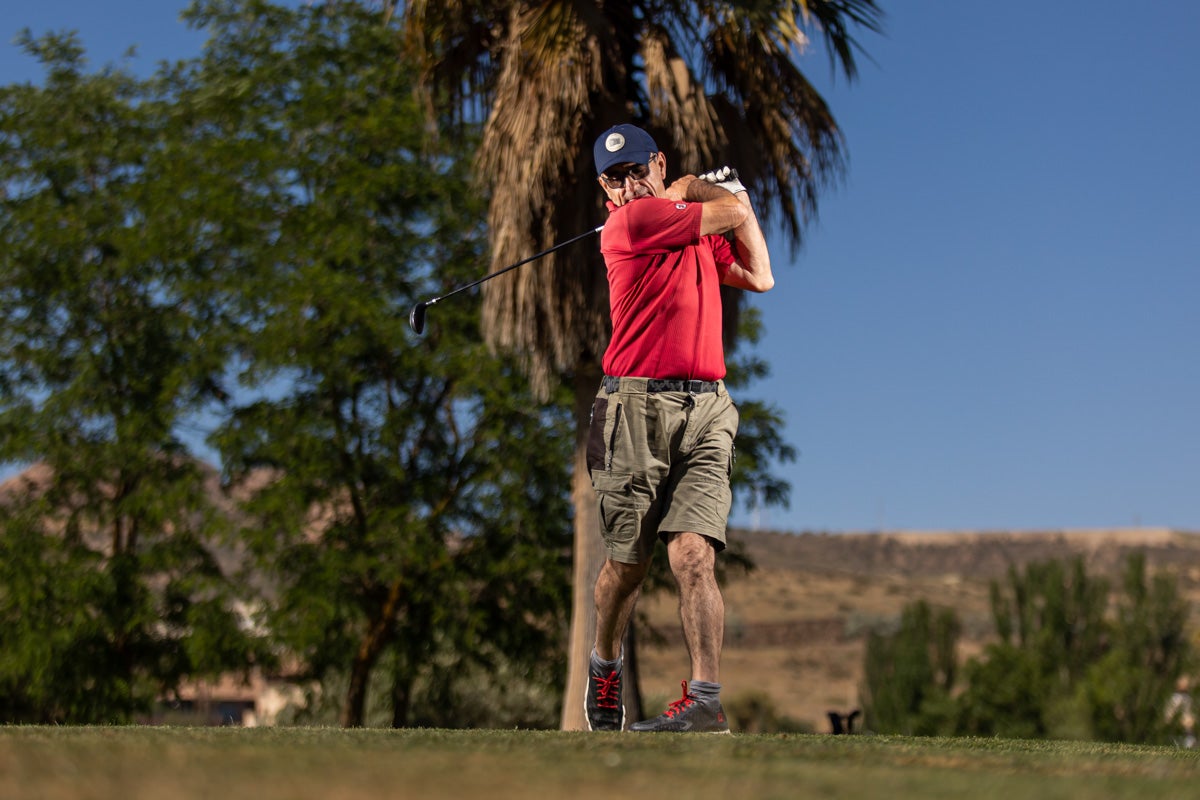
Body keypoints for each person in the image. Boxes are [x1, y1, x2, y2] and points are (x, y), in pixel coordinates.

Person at [583, 123, 773, 733]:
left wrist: (725, 200)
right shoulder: (630, 225)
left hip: (708, 407)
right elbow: (729, 212)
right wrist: (706, 187)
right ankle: (604, 664)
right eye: (616, 179)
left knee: (694, 557)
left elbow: (761, 274)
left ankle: (706, 700)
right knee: (629, 566)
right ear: (605, 194)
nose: (630, 185)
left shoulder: (685, 226)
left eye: (639, 170)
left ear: (657, 164)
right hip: (634, 409)